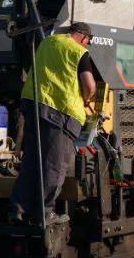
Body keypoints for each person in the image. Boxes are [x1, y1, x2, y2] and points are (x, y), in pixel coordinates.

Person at [10, 22, 99, 226]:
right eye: (88, 42)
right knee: (54, 165)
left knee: (32, 161)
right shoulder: (79, 52)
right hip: (59, 112)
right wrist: (86, 98)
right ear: (84, 38)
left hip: (32, 105)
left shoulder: (47, 42)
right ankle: (44, 213)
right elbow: (89, 85)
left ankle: (18, 210)